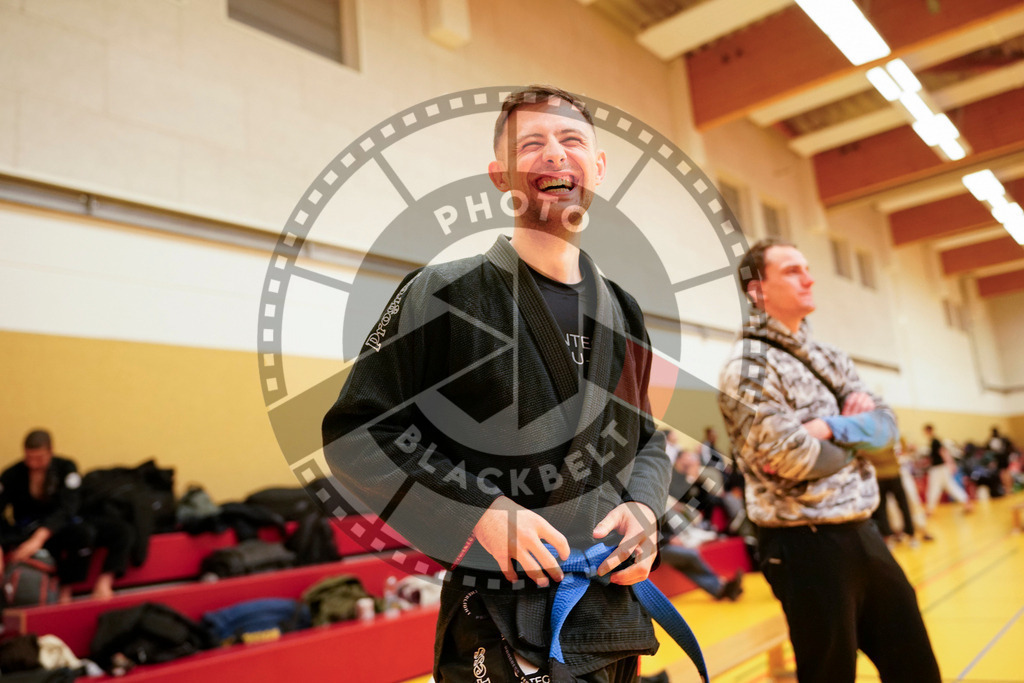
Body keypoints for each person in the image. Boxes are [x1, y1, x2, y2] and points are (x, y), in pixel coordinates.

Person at [323, 86, 672, 682]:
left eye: (572, 141)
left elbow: (646, 440)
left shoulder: (623, 310)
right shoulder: (442, 292)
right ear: (501, 175)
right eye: (531, 144)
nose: (555, 155)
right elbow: (356, 437)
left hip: (609, 616)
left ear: (599, 168)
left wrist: (644, 505)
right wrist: (475, 511)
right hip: (498, 615)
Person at [717, 238, 940, 683]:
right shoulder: (748, 367)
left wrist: (832, 428)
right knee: (829, 673)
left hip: (863, 529)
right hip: (805, 544)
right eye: (792, 271)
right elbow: (794, 459)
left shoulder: (830, 356)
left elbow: (888, 432)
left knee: (915, 664)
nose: (810, 278)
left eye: (807, 267)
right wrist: (855, 432)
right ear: (757, 291)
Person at [0, 430, 133, 601]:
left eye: (39, 458)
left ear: (50, 452)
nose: (34, 464)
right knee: (82, 534)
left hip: (60, 524)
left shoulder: (66, 468)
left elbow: (68, 506)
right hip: (28, 529)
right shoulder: (12, 475)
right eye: (29, 458)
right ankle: (63, 592)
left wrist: (40, 537)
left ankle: (103, 584)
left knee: (121, 530)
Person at [923, 424, 973, 515]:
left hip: (939, 469)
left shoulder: (935, 441)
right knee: (950, 487)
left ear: (928, 431)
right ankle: (966, 502)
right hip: (940, 469)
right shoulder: (934, 441)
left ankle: (930, 509)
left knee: (934, 488)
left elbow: (943, 452)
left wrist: (951, 463)